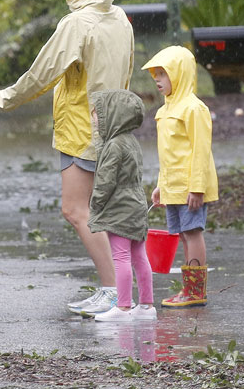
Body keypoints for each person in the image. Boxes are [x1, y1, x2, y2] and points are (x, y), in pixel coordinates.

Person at [0, 0, 133, 316]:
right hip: (112, 126)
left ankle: (115, 292)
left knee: (76, 210)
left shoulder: (76, 24)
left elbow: (43, 74)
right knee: (103, 210)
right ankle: (120, 291)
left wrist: (1, 99)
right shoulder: (120, 17)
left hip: (81, 129)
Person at [144, 45, 218, 308]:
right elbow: (168, 154)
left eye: (163, 74)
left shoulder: (193, 109)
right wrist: (161, 184)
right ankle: (189, 290)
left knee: (193, 232)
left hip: (189, 187)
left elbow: (200, 151)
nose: (157, 80)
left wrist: (197, 188)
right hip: (173, 187)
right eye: (156, 74)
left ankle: (196, 291)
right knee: (183, 234)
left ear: (180, 74)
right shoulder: (164, 110)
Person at [88, 89, 155, 322]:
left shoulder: (114, 145)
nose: (93, 118)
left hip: (119, 209)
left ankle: (124, 307)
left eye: (97, 113)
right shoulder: (132, 142)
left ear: (113, 116)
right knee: (139, 256)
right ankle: (146, 306)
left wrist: (96, 203)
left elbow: (106, 180)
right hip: (136, 206)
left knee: (121, 257)